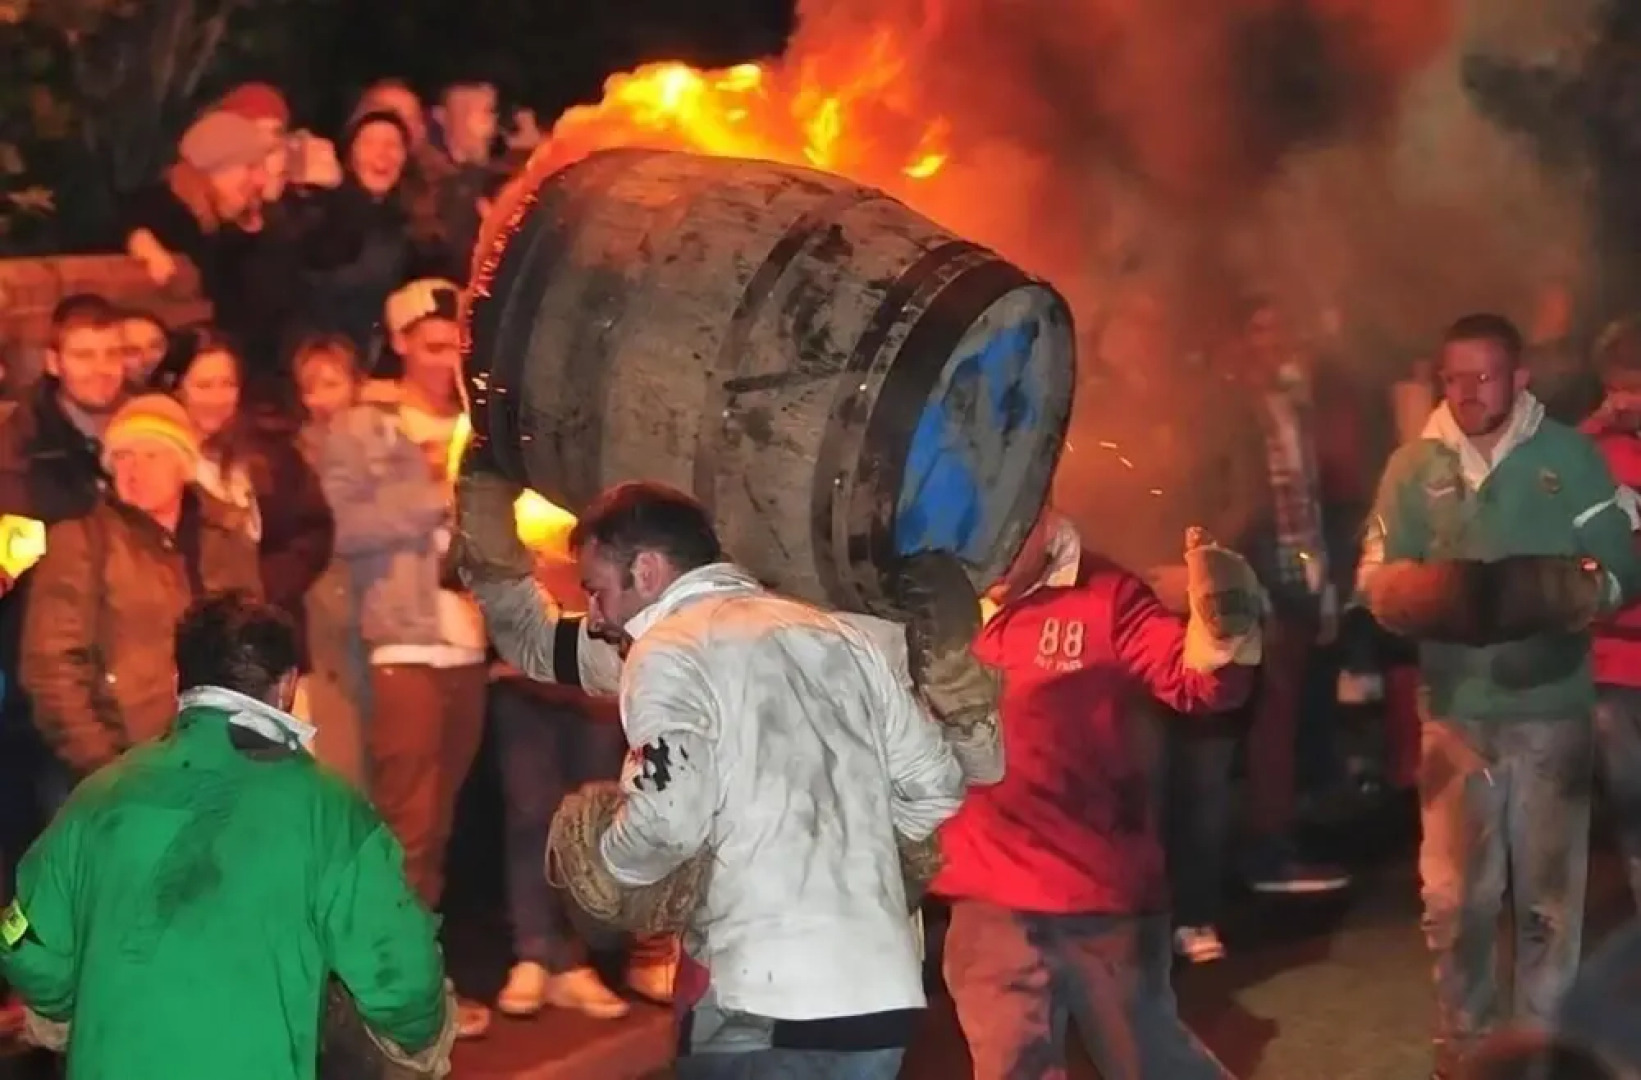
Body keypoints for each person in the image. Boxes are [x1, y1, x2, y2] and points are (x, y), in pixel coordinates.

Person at [454, 466, 975, 1079]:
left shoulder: (669, 648)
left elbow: (670, 815)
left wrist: (610, 864)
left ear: (646, 570)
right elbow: (937, 785)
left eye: (596, 590)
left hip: (760, 996)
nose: (594, 615)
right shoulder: (841, 638)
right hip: (878, 996)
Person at [0, 592, 454, 1080]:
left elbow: (25, 944)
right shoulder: (330, 810)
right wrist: (420, 1039)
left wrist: (69, 1011)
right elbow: (402, 977)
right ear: (286, 687)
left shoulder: (98, 797)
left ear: (179, 682)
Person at [1360, 312, 1641, 1078]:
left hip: (1552, 709)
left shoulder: (1569, 458)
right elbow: (1374, 574)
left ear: (1518, 379)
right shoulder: (1413, 468)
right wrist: (1412, 592)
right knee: (1454, 904)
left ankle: (1536, 1054)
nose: (1465, 392)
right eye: (1453, 377)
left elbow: (1623, 557)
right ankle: (1466, 1049)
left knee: (1548, 906)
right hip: (1454, 715)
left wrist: (1573, 592)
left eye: (1482, 376)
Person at [934, 512, 1259, 1080]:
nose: (994, 554)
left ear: (1046, 509)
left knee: (1150, 1060)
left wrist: (1225, 628)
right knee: (1010, 1063)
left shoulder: (1108, 596)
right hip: (986, 897)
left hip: (1100, 893)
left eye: (1013, 533)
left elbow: (1197, 683)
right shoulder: (935, 604)